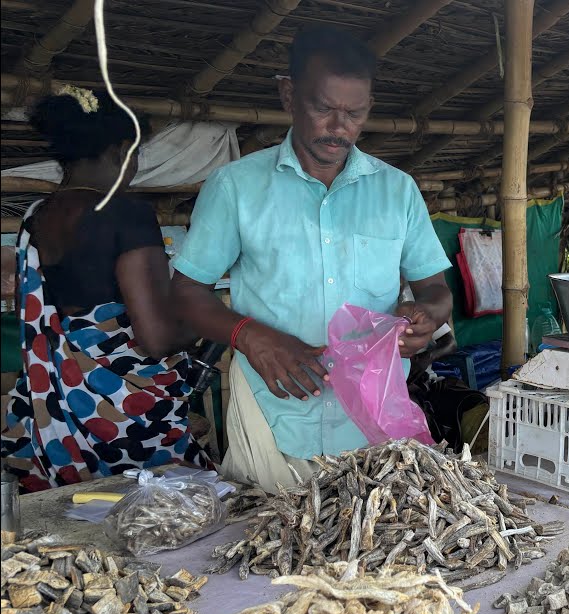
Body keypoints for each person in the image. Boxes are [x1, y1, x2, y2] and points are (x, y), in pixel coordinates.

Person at [172, 26, 452, 493]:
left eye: (354, 113)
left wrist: (425, 318)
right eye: (323, 109)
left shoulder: (396, 190)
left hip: (373, 421)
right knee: (267, 552)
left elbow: (436, 290)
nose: (338, 127)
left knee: (376, 553)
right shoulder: (236, 187)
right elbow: (185, 292)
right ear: (289, 95)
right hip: (272, 415)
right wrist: (251, 337)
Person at [1, 87, 209, 492]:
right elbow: (156, 339)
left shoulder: (35, 219)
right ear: (120, 151)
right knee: (162, 516)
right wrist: (203, 324)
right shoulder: (126, 214)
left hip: (58, 422)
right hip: (130, 424)